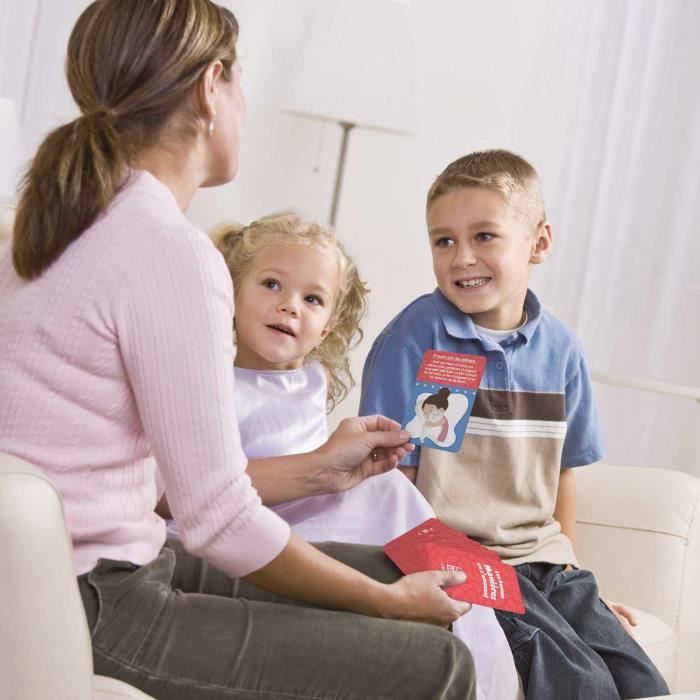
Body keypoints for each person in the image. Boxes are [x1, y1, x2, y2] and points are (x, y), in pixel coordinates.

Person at [0, 2, 478, 698]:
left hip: (78, 575)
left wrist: (321, 474)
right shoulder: (168, 251)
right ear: (210, 88)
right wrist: (385, 606)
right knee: (439, 662)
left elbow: (166, 491)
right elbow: (218, 520)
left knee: (394, 567)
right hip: (92, 603)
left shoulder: (55, 228)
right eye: (239, 82)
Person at [164, 213, 518, 700]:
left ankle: (483, 649)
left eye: (312, 299)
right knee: (390, 498)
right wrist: (327, 467)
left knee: (395, 495)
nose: (289, 306)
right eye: (271, 285)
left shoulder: (314, 377)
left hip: (311, 503)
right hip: (248, 517)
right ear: (231, 292)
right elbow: (199, 482)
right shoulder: (210, 378)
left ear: (328, 325)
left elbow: (309, 450)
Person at [359, 149, 670, 700]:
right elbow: (391, 482)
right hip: (456, 557)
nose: (461, 257)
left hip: (545, 560)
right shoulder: (416, 338)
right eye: (443, 241)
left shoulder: (563, 351)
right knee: (582, 681)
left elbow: (563, 474)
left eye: (484, 236)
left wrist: (577, 586)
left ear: (538, 242)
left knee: (640, 680)